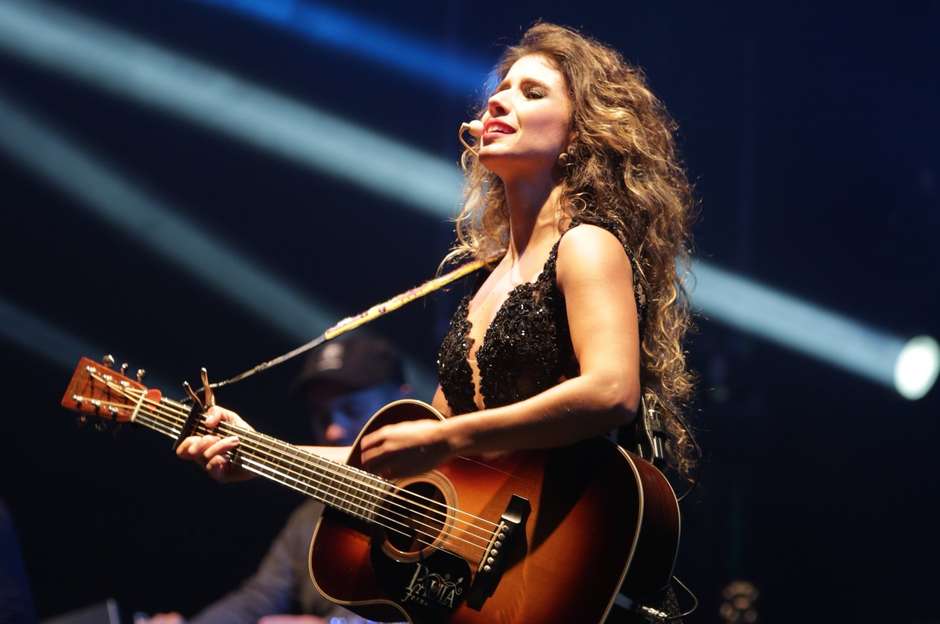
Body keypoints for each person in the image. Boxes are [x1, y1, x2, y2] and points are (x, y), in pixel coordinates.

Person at [178, 22, 696, 622]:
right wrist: (262, 453)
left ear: (579, 135)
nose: (499, 100)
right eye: (500, 89)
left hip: (560, 551)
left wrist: (448, 438)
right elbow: (412, 461)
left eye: (532, 93)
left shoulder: (586, 245)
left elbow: (610, 391)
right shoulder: (484, 280)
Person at [145, 336, 409, 624]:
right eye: (322, 416)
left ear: (399, 402)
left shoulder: (442, 488)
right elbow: (258, 599)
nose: (333, 431)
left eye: (352, 409)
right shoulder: (308, 519)